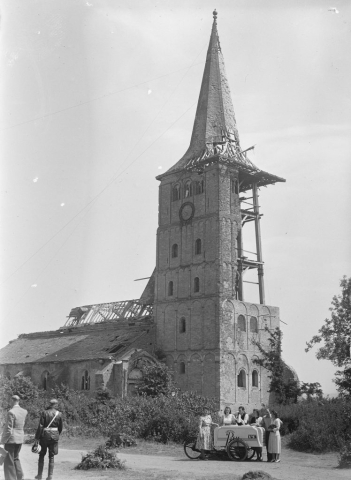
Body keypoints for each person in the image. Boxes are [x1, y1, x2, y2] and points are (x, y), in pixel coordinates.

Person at [0, 394, 27, 480]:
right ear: (18, 401)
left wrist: (2, 441)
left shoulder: (11, 412)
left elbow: (9, 429)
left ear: (12, 400)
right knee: (16, 458)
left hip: (11, 439)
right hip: (20, 438)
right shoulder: (24, 411)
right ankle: (20, 476)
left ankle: (10, 478)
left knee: (9, 460)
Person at [34, 398, 63, 480]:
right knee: (52, 456)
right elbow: (60, 427)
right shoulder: (59, 414)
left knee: (41, 455)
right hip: (54, 436)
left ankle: (39, 475)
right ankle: (50, 476)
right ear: (56, 405)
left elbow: (40, 426)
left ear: (50, 404)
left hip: (44, 436)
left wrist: (37, 437)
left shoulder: (44, 412)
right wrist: (57, 434)